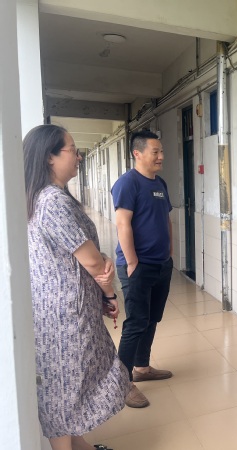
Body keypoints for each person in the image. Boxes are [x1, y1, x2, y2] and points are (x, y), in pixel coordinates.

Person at [24, 124, 130, 450]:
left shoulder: (42, 198)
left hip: (60, 310)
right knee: (62, 390)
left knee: (68, 384)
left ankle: (80, 445)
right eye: (72, 149)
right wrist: (109, 293)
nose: (79, 156)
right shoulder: (53, 201)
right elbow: (94, 263)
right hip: (64, 316)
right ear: (50, 157)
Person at [112, 130, 174, 408]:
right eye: (155, 152)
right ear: (137, 153)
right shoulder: (127, 183)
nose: (161, 156)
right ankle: (122, 383)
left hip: (161, 264)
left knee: (151, 319)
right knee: (136, 323)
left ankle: (142, 367)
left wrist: (170, 251)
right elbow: (122, 223)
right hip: (138, 266)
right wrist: (132, 262)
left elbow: (166, 219)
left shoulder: (160, 183)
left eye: (161, 151)